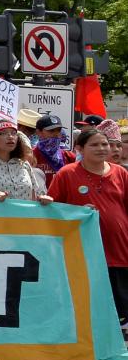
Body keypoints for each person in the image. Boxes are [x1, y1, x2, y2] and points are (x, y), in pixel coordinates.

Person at [48, 128, 128, 333]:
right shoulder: (66, 174)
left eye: (105, 144)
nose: (102, 149)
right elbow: (52, 212)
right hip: (83, 255)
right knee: (89, 308)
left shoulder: (120, 173)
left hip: (119, 253)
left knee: (121, 311)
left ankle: (116, 359)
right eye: (94, 144)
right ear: (79, 148)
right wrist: (76, 212)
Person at [0, 119, 51, 202]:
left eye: (13, 133)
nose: (10, 137)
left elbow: (33, 200)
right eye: (3, 133)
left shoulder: (24, 164)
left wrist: (42, 201)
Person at [31, 114, 74, 180]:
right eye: (51, 130)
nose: (56, 134)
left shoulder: (69, 156)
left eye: (59, 130)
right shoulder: (31, 156)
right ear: (39, 132)